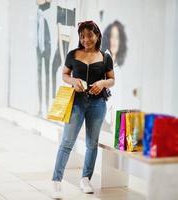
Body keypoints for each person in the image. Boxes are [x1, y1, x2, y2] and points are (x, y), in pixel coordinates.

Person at [51, 20, 115, 198]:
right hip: (76, 102)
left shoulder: (105, 57)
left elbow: (112, 79)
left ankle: (85, 179)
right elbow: (65, 74)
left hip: (97, 104)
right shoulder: (73, 54)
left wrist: (102, 83)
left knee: (92, 144)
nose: (86, 39)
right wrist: (73, 81)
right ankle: (57, 181)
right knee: (67, 142)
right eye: (82, 36)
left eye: (89, 35)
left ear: (97, 36)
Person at [36, 0, 51, 116]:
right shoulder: (36, 11)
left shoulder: (50, 9)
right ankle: (40, 105)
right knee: (39, 77)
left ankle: (47, 105)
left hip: (48, 46)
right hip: (38, 47)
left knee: (47, 76)